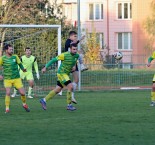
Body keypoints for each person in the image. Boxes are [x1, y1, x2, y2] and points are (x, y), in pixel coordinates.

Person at [40, 43, 79, 111]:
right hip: (61, 73)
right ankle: (69, 105)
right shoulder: (64, 55)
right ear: (70, 49)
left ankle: (44, 100)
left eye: (76, 49)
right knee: (70, 86)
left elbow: (74, 62)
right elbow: (53, 60)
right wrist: (45, 67)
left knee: (58, 90)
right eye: (73, 49)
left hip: (66, 74)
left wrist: (74, 66)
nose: (75, 51)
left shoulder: (76, 56)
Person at [0, 44, 30, 113]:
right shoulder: (2, 58)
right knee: (8, 92)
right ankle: (7, 109)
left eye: (12, 49)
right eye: (10, 49)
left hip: (16, 78)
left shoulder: (15, 57)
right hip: (7, 79)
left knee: (22, 93)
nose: (12, 50)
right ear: (6, 50)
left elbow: (20, 64)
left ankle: (24, 104)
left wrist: (23, 69)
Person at [65, 30, 88, 104]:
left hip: (74, 63)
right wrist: (79, 39)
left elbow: (75, 44)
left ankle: (72, 96)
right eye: (74, 36)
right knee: (61, 84)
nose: (75, 38)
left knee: (76, 80)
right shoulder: (68, 42)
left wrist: (80, 39)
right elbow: (72, 44)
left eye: (76, 36)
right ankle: (81, 65)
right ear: (70, 36)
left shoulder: (73, 43)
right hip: (68, 63)